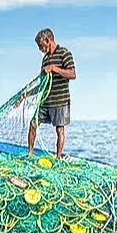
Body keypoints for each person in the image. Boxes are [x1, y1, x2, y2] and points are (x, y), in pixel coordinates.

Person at [27, 29, 76, 158]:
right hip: (45, 101)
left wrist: (54, 69)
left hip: (61, 101)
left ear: (48, 41)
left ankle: (58, 158)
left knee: (60, 130)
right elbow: (42, 84)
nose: (40, 49)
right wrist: (26, 94)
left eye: (40, 46)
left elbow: (72, 74)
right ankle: (30, 153)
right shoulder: (45, 59)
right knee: (33, 124)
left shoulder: (65, 53)